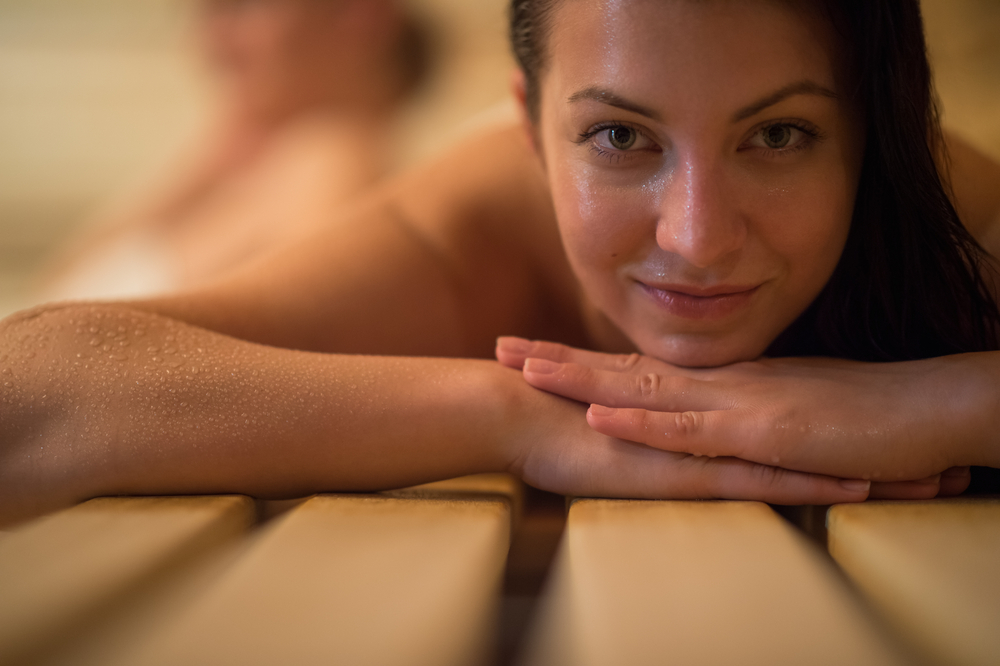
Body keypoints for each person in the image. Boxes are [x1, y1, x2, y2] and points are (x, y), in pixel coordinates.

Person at [3, 0, 1000, 526]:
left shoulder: (955, 219)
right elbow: (32, 389)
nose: (696, 237)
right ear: (530, 126)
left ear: (879, 133)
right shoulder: (476, 224)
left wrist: (946, 404)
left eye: (778, 135)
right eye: (619, 137)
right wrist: (510, 416)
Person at [34, 0, 429, 301]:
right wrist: (201, 170)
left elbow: (306, 356)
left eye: (238, 6)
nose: (212, 40)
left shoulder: (332, 159)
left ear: (359, 14)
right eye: (207, 12)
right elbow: (49, 297)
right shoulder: (270, 167)